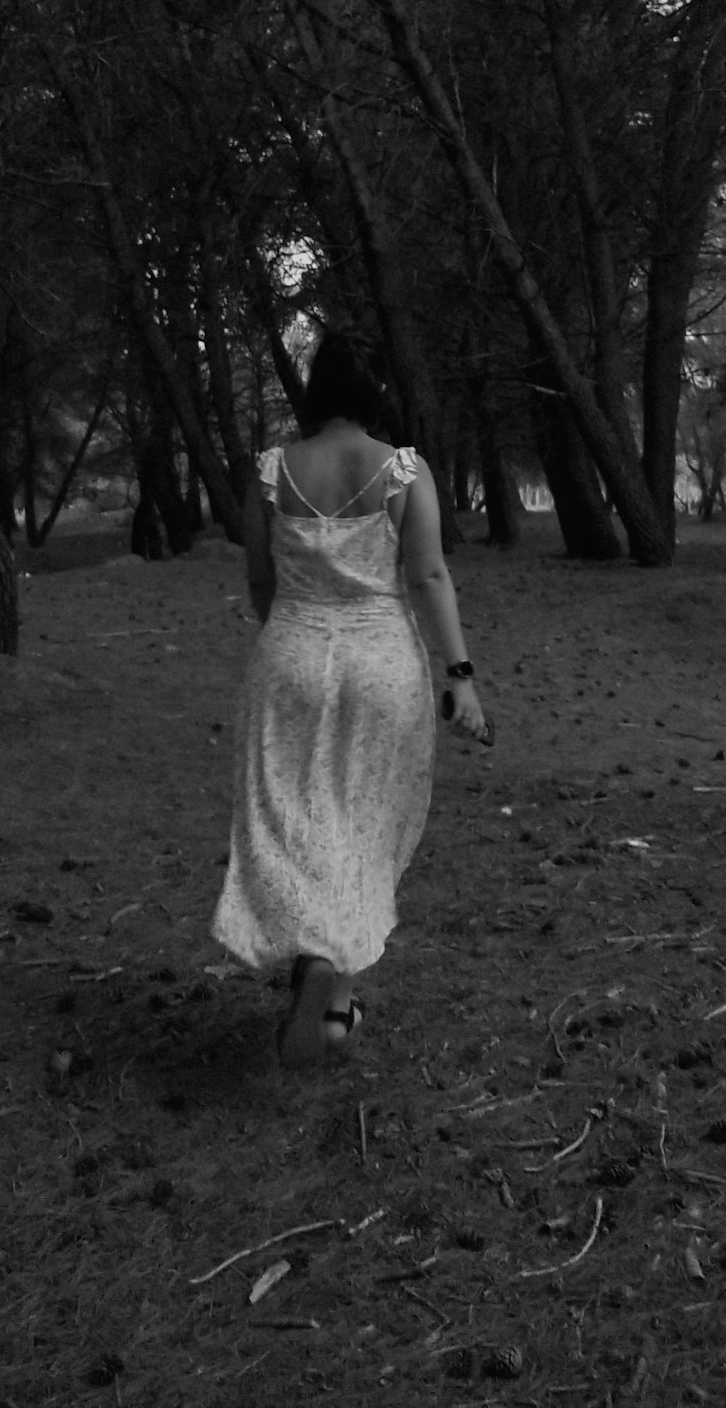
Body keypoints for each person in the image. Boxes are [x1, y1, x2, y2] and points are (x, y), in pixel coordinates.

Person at [211, 331, 490, 1068]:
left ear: (315, 391)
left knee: (294, 818)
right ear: (376, 394)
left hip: (291, 657)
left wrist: (298, 629)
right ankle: (330, 986)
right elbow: (428, 577)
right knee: (362, 821)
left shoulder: (271, 470)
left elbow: (260, 583)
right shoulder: (402, 470)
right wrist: (459, 674)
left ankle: (322, 983)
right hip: (379, 667)